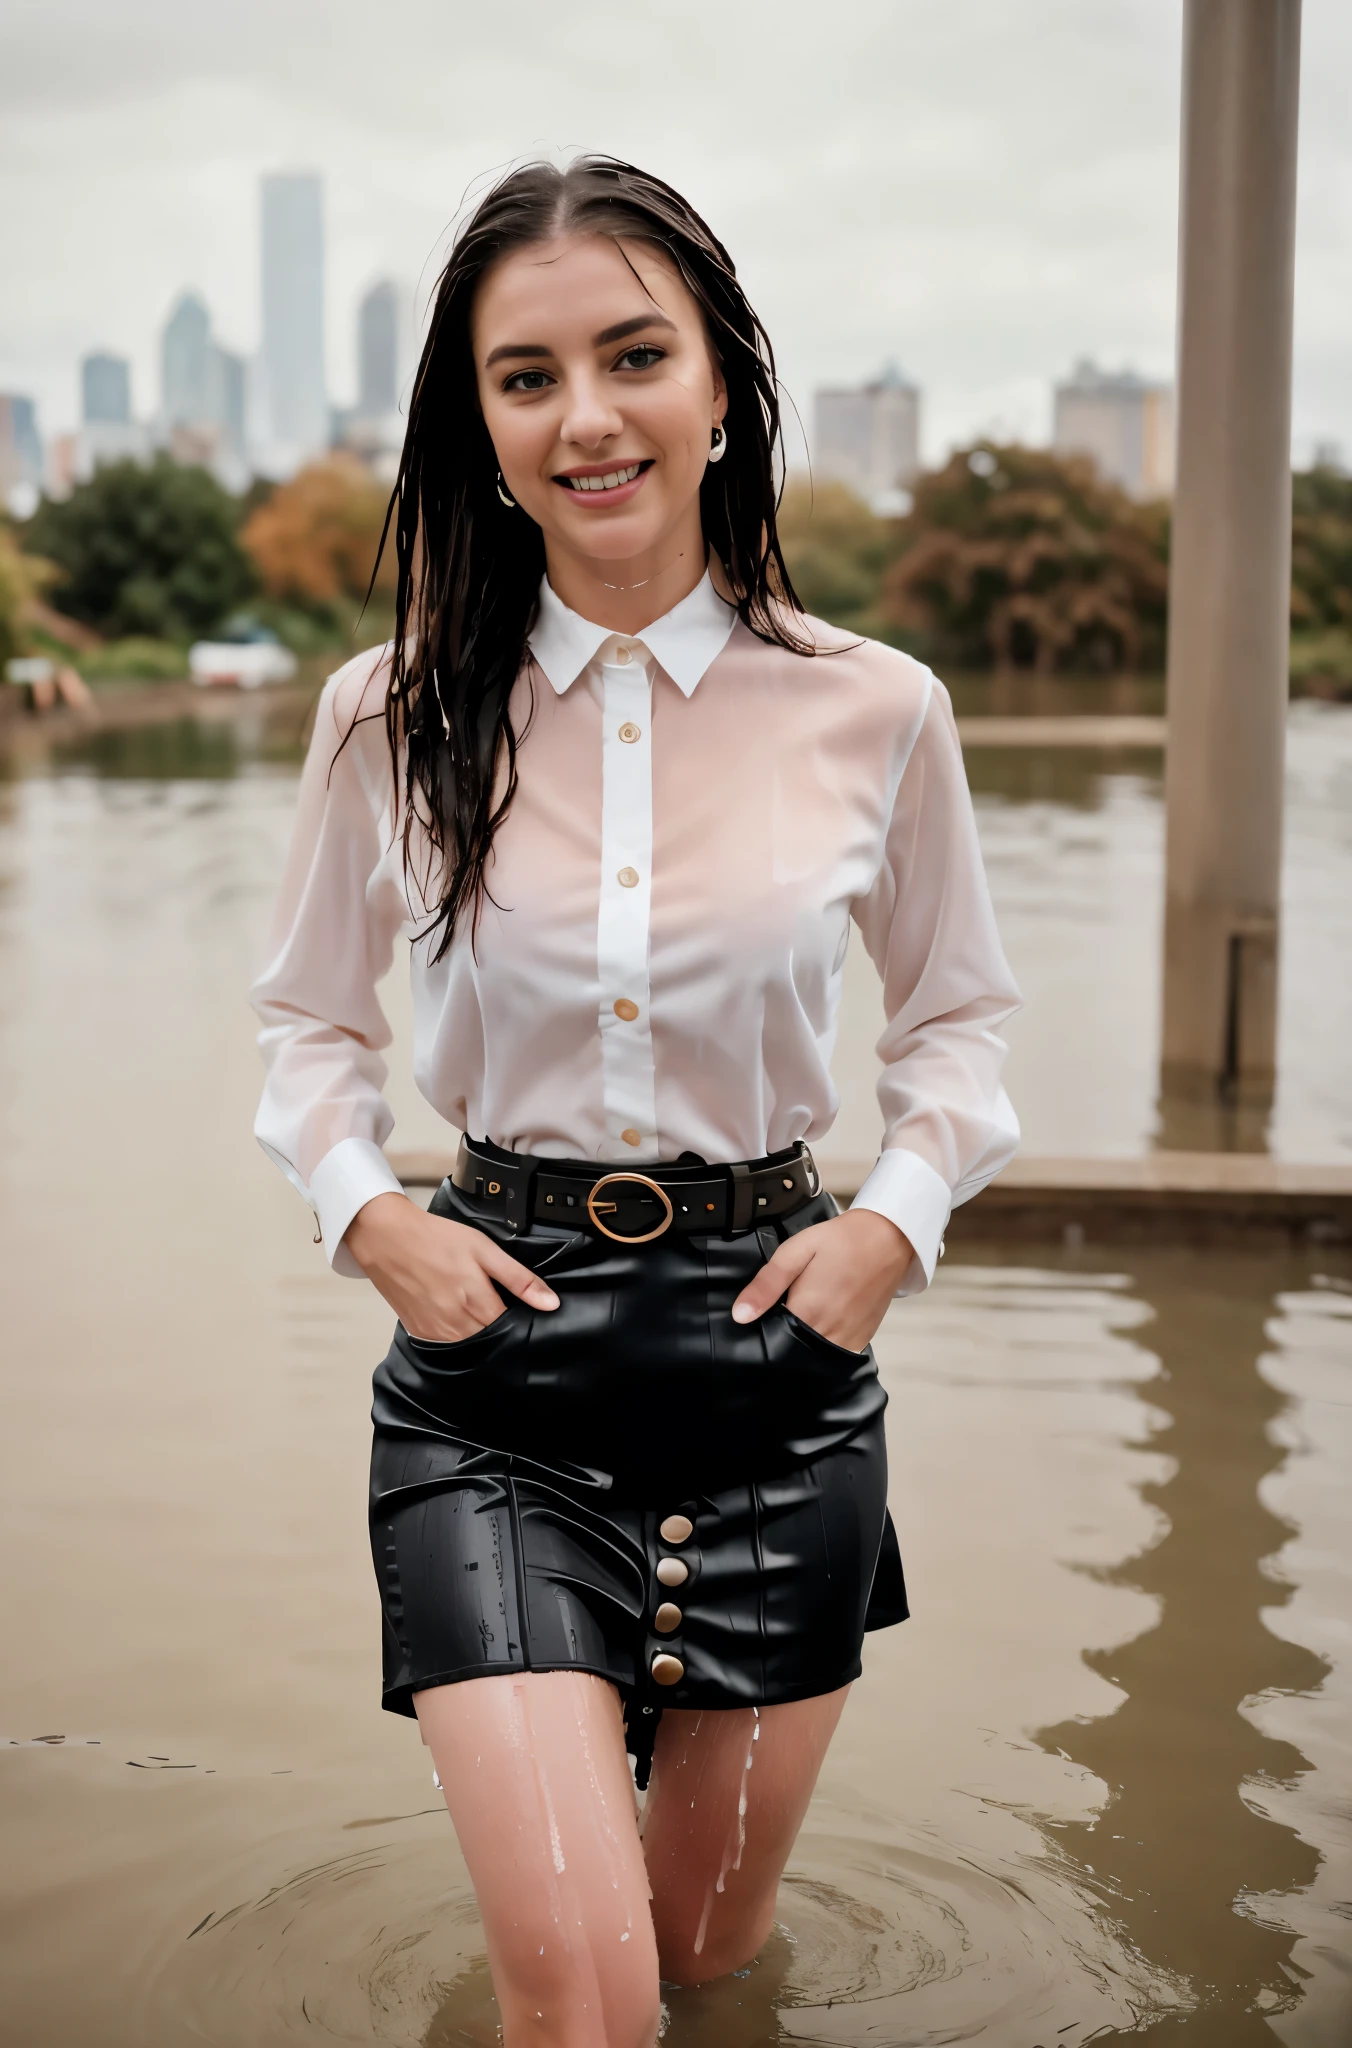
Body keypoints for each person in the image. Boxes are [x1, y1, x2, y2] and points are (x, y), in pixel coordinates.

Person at [250, 156, 1019, 2048]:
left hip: (777, 1374)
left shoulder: (877, 708)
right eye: (527, 377)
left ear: (722, 388)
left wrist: (883, 1236)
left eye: (633, 355)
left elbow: (963, 1030)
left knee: (702, 1970)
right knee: (584, 2000)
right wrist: (372, 1223)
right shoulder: (385, 711)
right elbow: (305, 1034)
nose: (585, 417)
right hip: (492, 1371)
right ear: (479, 420)